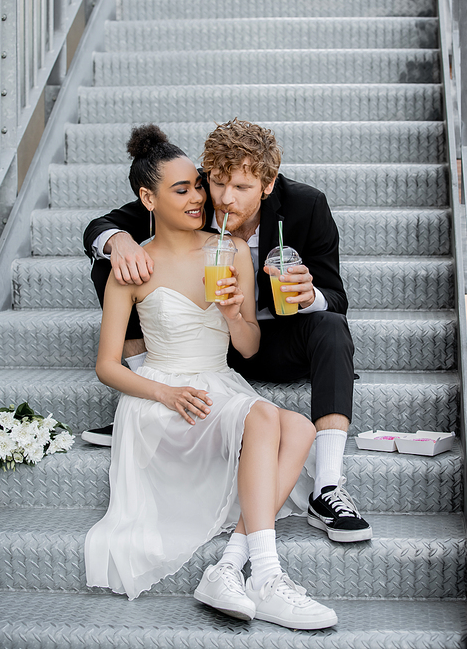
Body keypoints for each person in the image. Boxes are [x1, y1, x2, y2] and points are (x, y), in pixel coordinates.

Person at [84, 124, 337, 631]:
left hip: (219, 382)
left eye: (198, 185)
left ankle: (228, 566)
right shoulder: (132, 266)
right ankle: (265, 574)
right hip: (162, 398)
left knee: (304, 429)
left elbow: (249, 346)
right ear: (146, 198)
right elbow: (106, 366)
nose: (201, 196)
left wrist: (232, 313)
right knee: (268, 417)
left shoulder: (231, 251)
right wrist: (166, 393)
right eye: (185, 189)